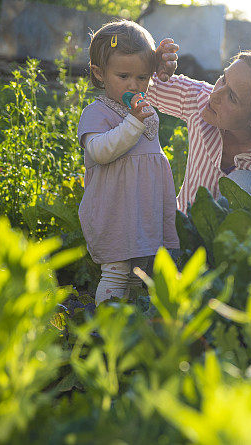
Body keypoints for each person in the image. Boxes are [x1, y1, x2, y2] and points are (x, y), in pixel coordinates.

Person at [77, 20, 179, 305]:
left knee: (139, 272)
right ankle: (106, 326)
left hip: (144, 206)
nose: (135, 85)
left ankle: (132, 322)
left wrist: (162, 67)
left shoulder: (140, 101)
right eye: (124, 76)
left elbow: (158, 82)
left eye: (143, 77)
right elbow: (99, 151)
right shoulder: (97, 112)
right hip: (116, 209)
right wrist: (133, 122)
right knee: (116, 272)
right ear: (99, 74)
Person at [149, 43, 251, 211]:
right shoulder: (199, 98)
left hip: (240, 235)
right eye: (223, 79)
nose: (215, 94)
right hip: (183, 230)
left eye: (232, 97)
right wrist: (149, 63)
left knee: (244, 181)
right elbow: (135, 84)